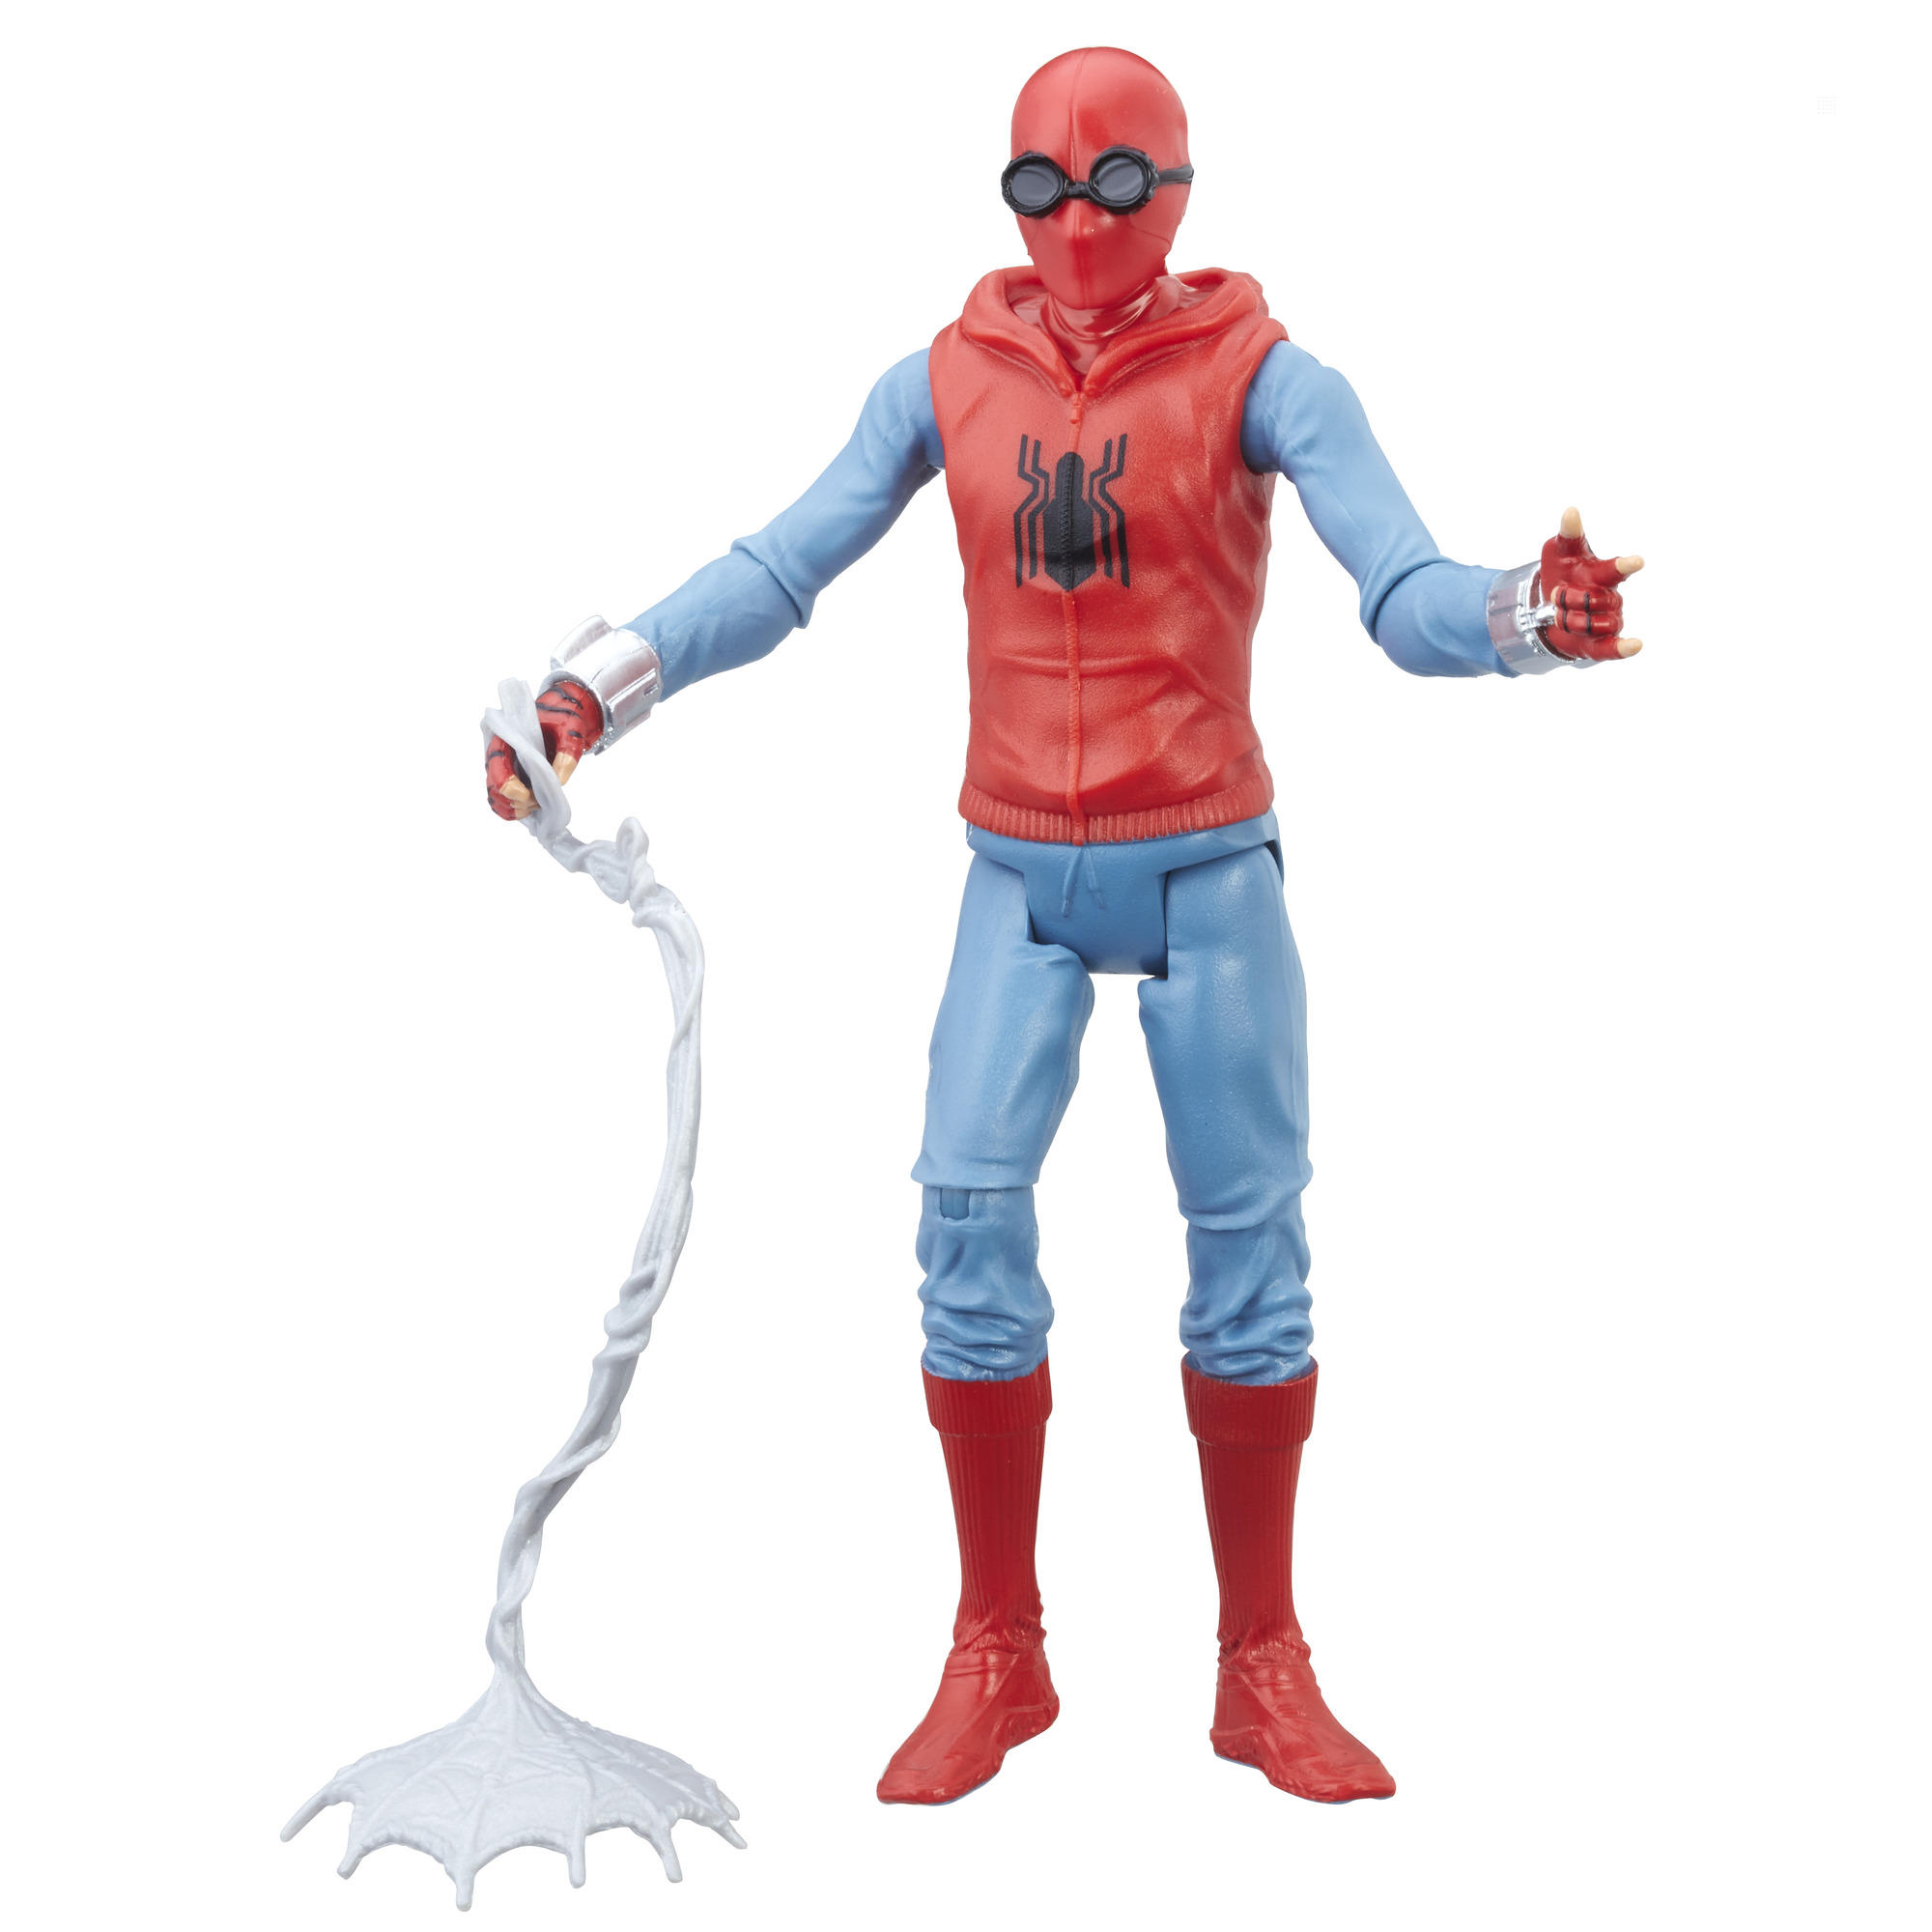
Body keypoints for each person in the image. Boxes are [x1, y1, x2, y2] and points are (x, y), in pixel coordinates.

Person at [484, 45, 1644, 1808]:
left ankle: (1262, 1659)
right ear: (1006, 195)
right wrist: (598, 688)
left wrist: (1521, 616)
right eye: (1042, 185)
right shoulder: (945, 376)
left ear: (1177, 195)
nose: (1080, 222)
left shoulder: (1266, 374)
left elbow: (1400, 590)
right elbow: (783, 563)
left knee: (1250, 1249)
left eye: (1116, 187)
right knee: (962, 1220)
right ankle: (997, 1646)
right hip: (1017, 862)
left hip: (1206, 860)